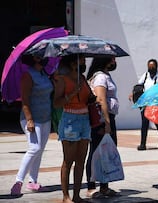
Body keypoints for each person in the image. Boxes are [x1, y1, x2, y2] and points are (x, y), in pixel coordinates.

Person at [10, 55, 53, 196]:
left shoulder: (44, 73)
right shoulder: (28, 75)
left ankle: (33, 181)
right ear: (33, 59)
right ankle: (18, 182)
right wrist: (29, 119)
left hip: (45, 117)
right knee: (34, 148)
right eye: (40, 55)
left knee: (40, 150)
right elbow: (25, 99)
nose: (44, 57)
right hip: (32, 118)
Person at [53, 54, 91, 203]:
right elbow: (56, 103)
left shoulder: (82, 78)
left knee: (81, 160)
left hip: (85, 119)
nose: (84, 62)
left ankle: (76, 195)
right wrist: (72, 94)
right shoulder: (63, 80)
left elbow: (87, 97)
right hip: (69, 119)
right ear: (72, 62)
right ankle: (65, 196)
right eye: (82, 59)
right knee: (68, 161)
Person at [85, 56, 120, 197]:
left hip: (109, 117)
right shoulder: (100, 77)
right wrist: (106, 122)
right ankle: (91, 186)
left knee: (106, 152)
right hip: (102, 118)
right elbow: (101, 100)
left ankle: (104, 186)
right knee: (95, 152)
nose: (114, 62)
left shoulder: (106, 75)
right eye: (112, 59)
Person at [136, 59, 158, 150]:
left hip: (155, 104)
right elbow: (139, 85)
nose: (151, 68)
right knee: (144, 124)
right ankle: (143, 144)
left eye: (152, 66)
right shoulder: (145, 75)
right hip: (145, 103)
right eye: (149, 66)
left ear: (156, 67)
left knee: (157, 123)